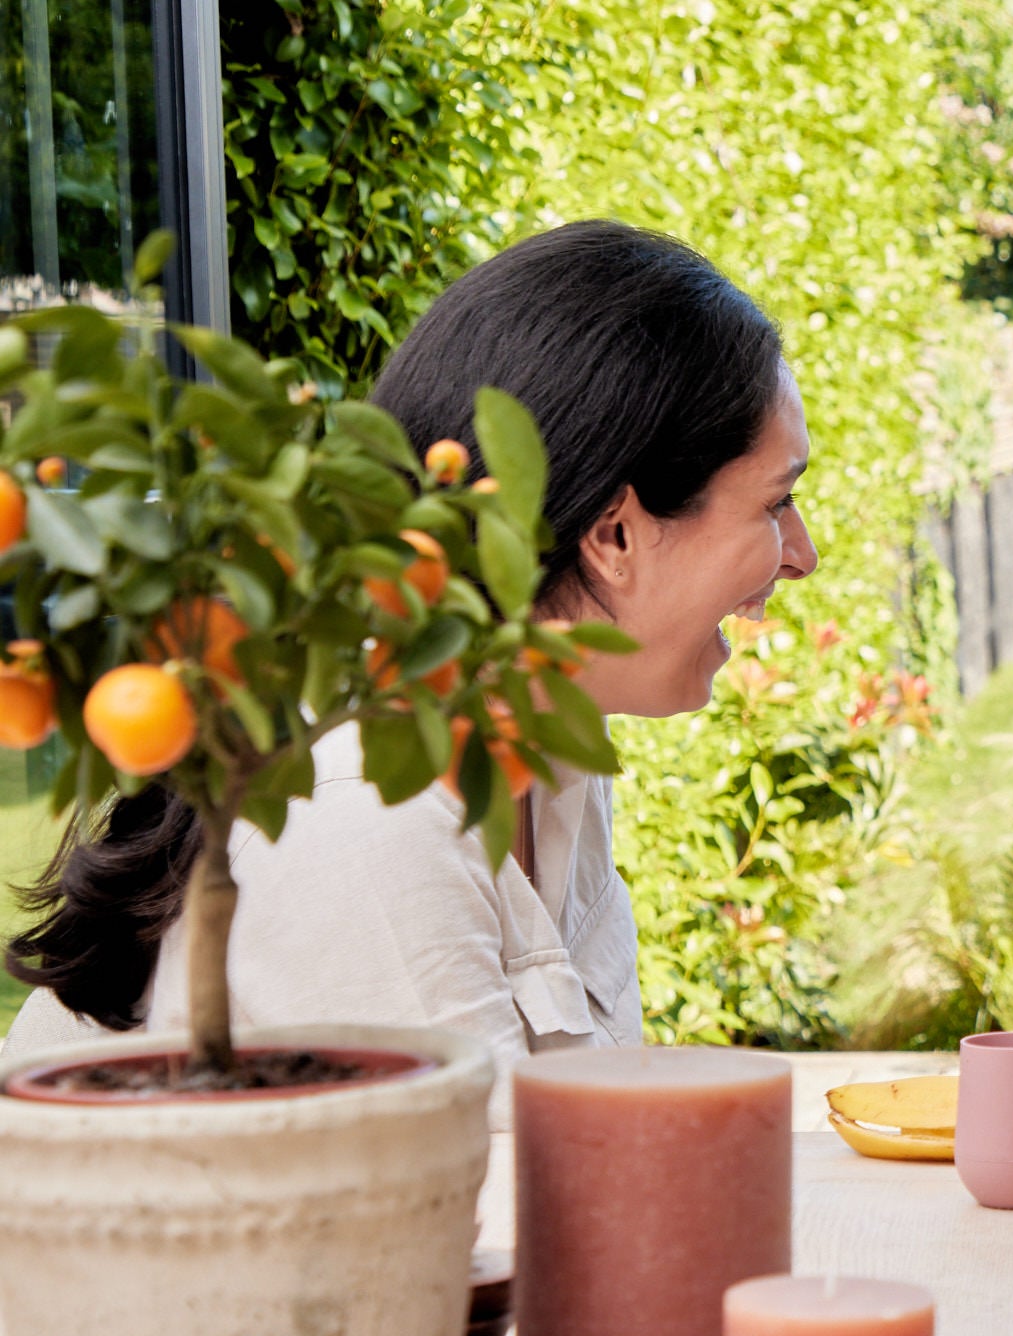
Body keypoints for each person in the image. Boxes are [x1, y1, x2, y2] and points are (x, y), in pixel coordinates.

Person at [2, 221, 818, 1114]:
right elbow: (495, 1209)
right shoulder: (367, 815)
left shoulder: (548, 758)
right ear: (614, 533)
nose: (802, 553)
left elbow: (590, 1131)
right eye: (777, 503)